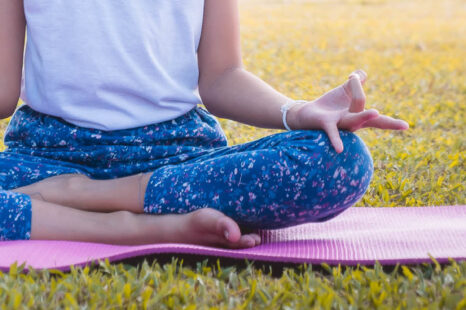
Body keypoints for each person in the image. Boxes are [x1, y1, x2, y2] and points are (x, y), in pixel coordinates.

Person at [0, 0, 408, 248]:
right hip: (48, 157)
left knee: (342, 160)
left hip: (175, 159)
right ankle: (138, 227)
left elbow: (221, 76)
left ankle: (75, 198)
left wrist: (298, 112)